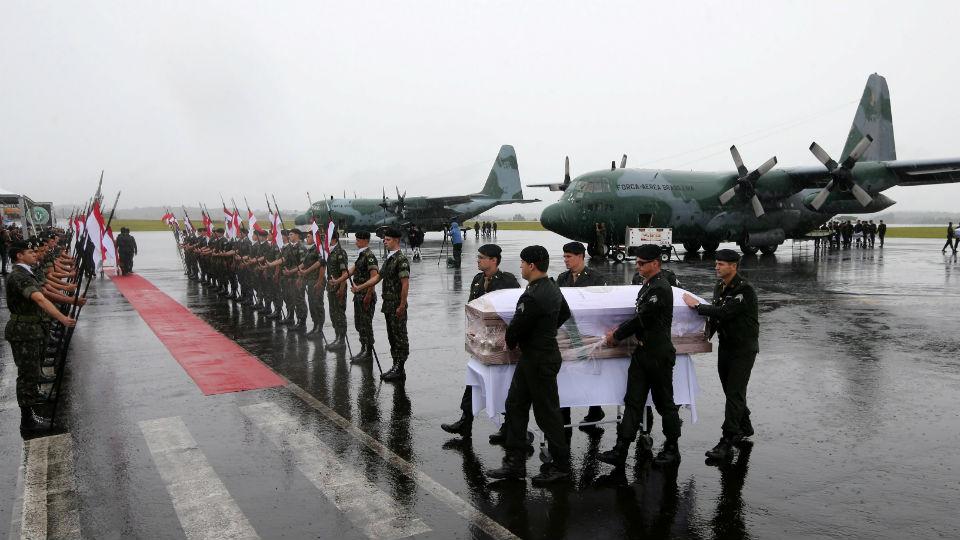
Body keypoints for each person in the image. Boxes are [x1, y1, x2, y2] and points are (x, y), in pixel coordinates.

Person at [485, 245, 571, 485]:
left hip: (538, 359)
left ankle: (561, 466)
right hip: (537, 356)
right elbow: (564, 312)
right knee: (515, 405)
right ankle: (514, 462)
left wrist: (513, 341)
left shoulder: (533, 295)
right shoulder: (551, 287)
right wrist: (546, 329)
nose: (521, 266)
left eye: (523, 263)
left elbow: (517, 327)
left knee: (547, 414)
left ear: (532, 265)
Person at [598, 244, 682, 468]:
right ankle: (621, 449)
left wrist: (617, 335)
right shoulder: (647, 285)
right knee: (633, 402)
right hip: (642, 352)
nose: (638, 266)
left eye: (642, 263)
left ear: (655, 263)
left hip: (658, 354)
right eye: (637, 262)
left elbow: (642, 318)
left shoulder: (661, 288)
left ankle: (672, 449)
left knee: (665, 404)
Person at [682, 249, 759, 462]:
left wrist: (697, 306)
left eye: (721, 264)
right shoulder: (720, 286)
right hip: (726, 347)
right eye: (716, 263)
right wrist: (703, 339)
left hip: (743, 349)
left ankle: (726, 441)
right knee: (730, 391)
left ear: (733, 266)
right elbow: (718, 317)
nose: (716, 267)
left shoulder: (744, 289)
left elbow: (724, 312)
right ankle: (745, 425)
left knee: (734, 393)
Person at [440, 244, 520, 438]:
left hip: (501, 345)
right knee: (473, 380)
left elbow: (515, 311)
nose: (478, 260)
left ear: (494, 260)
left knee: (504, 384)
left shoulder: (508, 280)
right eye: (478, 257)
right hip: (482, 343)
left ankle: (510, 427)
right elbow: (472, 308)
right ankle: (465, 421)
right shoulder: (477, 280)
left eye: (482, 257)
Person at [5, 240, 78, 435]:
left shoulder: (26, 273)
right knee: (27, 376)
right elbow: (39, 297)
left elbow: (43, 291)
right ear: (19, 255)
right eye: (30, 252)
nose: (34, 254)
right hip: (24, 332)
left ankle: (30, 414)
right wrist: (62, 318)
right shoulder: (18, 276)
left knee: (31, 373)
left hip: (31, 330)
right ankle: (27, 421)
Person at [555, 241, 607, 429]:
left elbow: (602, 305)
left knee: (590, 371)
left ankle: (595, 409)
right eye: (564, 256)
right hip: (567, 332)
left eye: (569, 257)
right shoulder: (562, 278)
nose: (565, 260)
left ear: (580, 257)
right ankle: (564, 416)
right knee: (566, 374)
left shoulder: (596, 278)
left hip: (588, 334)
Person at [352, 227, 410, 381]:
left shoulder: (401, 259)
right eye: (385, 239)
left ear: (396, 240)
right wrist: (360, 287)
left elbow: (405, 284)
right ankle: (395, 365)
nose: (385, 241)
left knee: (400, 337)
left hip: (397, 305)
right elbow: (377, 278)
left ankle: (400, 368)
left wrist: (402, 305)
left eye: (388, 239)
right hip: (388, 305)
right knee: (392, 337)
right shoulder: (390, 259)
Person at [347, 231, 378, 363]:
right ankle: (363, 348)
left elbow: (374, 277)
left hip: (366, 295)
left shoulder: (369, 256)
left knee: (366, 324)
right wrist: (337, 280)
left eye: (358, 240)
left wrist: (368, 295)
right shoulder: (361, 255)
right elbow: (351, 271)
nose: (356, 242)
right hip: (358, 295)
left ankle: (368, 351)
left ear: (365, 240)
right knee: (359, 324)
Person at [298, 228, 326, 338]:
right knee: (312, 304)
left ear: (314, 238)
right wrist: (298, 272)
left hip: (317, 281)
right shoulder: (310, 250)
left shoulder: (319, 249)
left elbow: (322, 265)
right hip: (310, 281)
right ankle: (315, 326)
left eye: (308, 237)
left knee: (317, 304)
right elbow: (304, 264)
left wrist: (319, 281)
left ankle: (319, 329)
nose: (306, 239)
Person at [325, 231, 350, 350]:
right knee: (333, 313)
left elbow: (345, 273)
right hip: (331, 287)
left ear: (333, 239)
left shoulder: (340, 252)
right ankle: (337, 337)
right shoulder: (330, 252)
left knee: (339, 314)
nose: (325, 239)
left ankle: (341, 340)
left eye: (327, 237)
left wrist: (341, 289)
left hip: (339, 288)